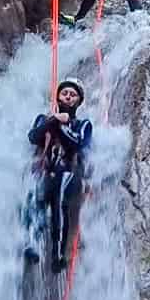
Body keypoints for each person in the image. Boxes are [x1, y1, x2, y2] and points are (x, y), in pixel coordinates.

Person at [26, 78, 92, 272]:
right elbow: (33, 136)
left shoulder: (83, 124)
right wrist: (54, 120)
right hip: (45, 168)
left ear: (79, 101)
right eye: (65, 93)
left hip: (67, 170)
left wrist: (61, 127)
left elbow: (79, 143)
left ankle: (58, 254)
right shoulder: (44, 119)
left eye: (73, 94)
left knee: (60, 202)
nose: (68, 96)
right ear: (57, 96)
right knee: (35, 197)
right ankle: (31, 243)